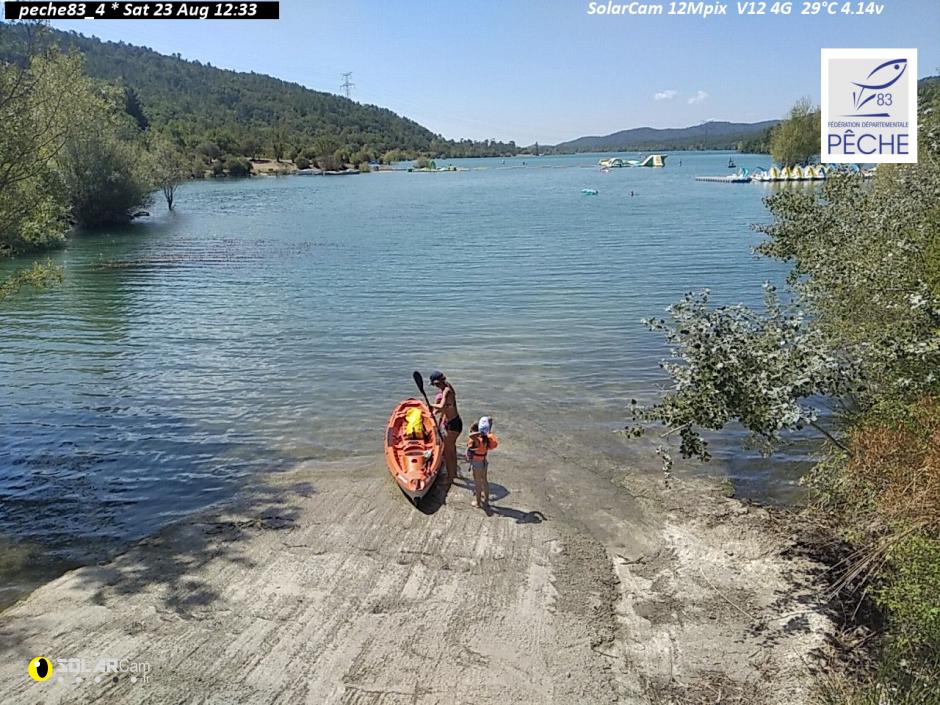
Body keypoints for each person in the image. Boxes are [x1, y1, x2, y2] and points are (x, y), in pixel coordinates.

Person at [429, 370, 462, 482]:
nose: (435, 387)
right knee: (452, 450)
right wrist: (435, 412)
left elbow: (442, 406)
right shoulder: (447, 387)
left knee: (448, 453)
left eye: (435, 384)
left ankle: (450, 477)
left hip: (453, 425)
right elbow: (446, 407)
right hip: (455, 422)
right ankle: (454, 474)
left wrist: (430, 405)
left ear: (437, 382)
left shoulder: (447, 391)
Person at [466, 417, 498, 509]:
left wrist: (480, 432)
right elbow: (489, 424)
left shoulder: (477, 440)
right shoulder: (487, 438)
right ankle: (486, 500)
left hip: (477, 463)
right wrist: (487, 428)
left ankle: (478, 502)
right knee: (484, 481)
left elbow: (470, 435)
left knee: (477, 483)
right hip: (484, 461)